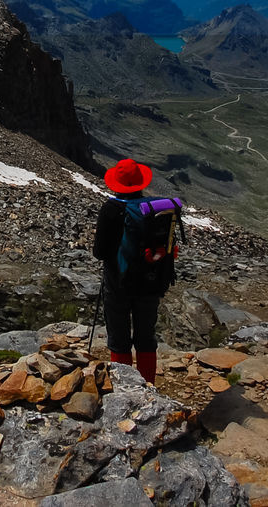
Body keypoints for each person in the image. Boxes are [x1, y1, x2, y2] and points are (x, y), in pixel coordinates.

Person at [93, 157, 162, 385]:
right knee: (145, 338)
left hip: (118, 282)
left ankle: (125, 387)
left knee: (120, 339)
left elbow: (100, 252)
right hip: (151, 282)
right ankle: (148, 386)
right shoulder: (156, 209)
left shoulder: (111, 210)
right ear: (141, 183)